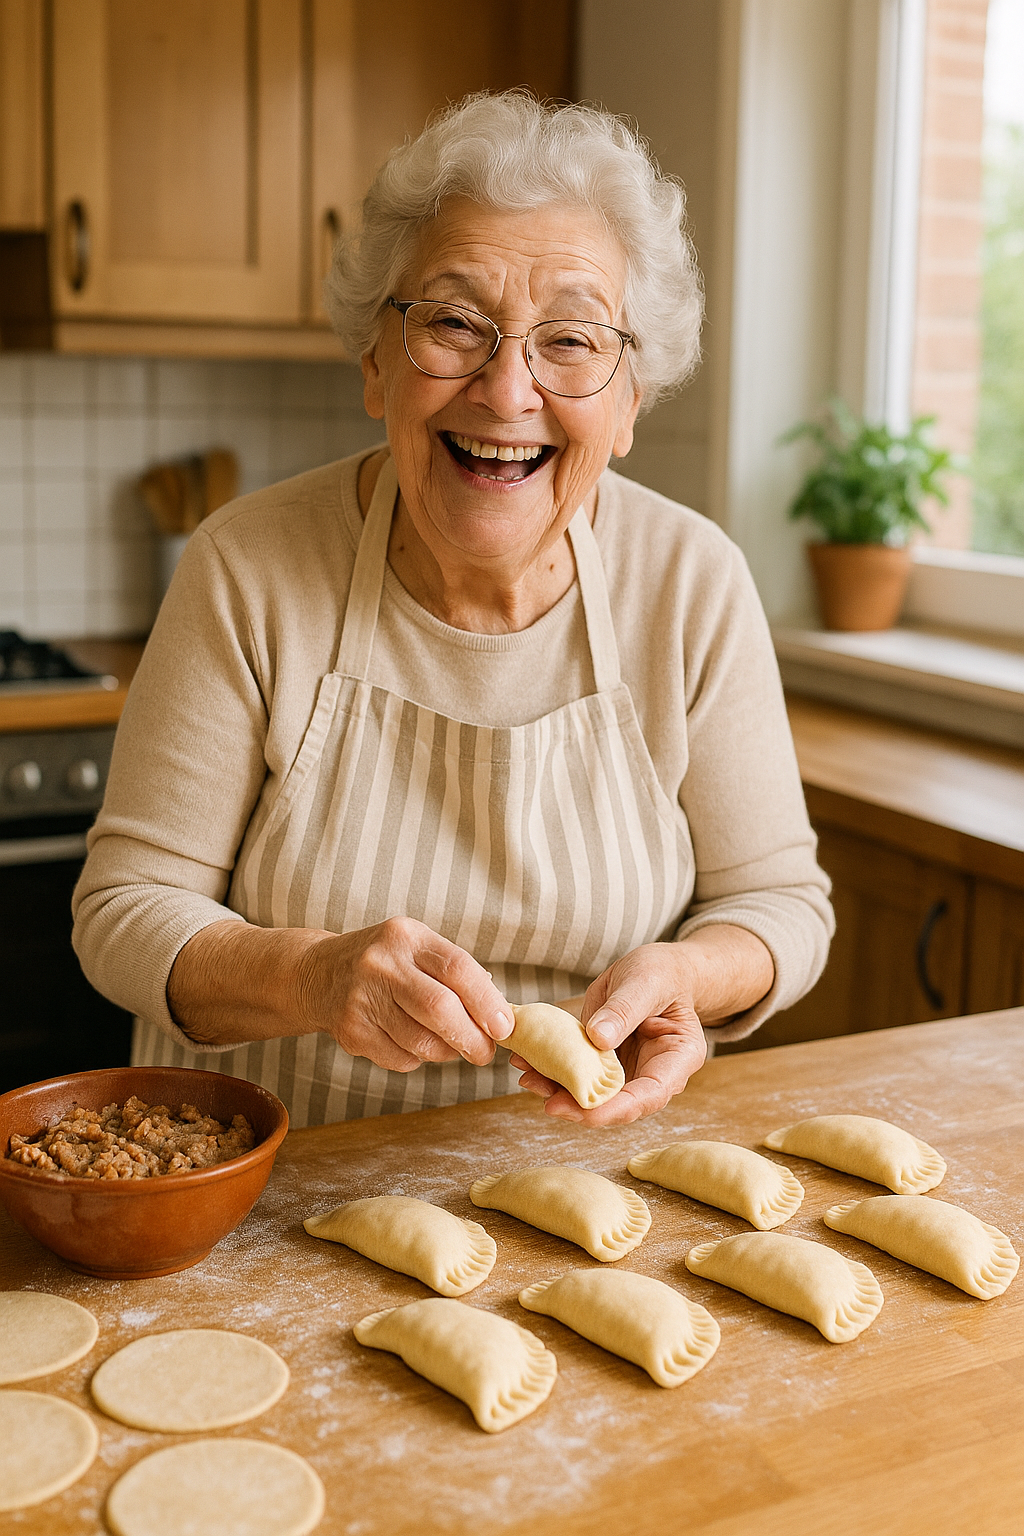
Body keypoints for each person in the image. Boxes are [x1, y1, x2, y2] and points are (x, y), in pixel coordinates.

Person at [73, 92, 832, 1130]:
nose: (506, 389)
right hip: (272, 1181)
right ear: (377, 363)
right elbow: (122, 915)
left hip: (578, 1174)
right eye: (455, 322)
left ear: (626, 404)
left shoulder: (690, 585)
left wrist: (691, 976)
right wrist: (309, 976)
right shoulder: (246, 569)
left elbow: (781, 905)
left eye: (569, 340)